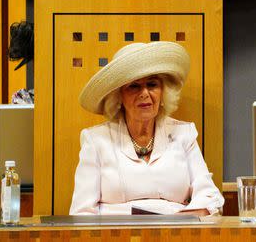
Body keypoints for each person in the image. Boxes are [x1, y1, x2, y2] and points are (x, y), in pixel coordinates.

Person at [69, 41, 224, 215]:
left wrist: (180, 222)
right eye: (134, 86)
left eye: (152, 85)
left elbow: (209, 195)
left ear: (163, 92)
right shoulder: (96, 140)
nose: (144, 93)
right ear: (118, 96)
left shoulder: (183, 134)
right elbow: (82, 212)